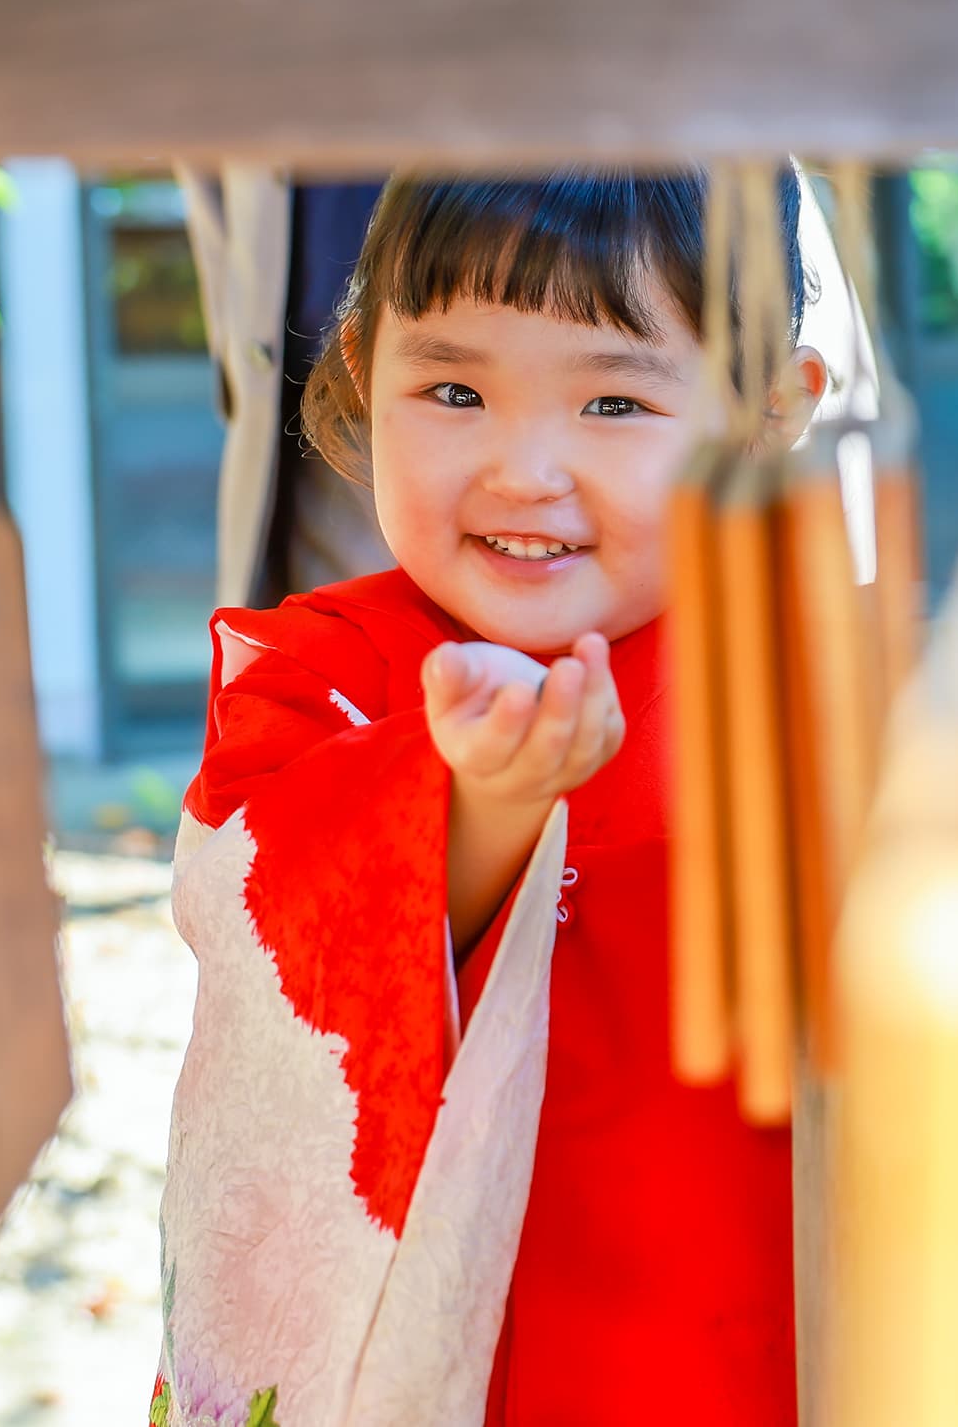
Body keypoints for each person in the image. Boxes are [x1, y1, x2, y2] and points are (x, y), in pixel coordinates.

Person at [150, 169, 828, 1427]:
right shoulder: (322, 674)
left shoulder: (820, 689)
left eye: (614, 400)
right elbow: (268, 929)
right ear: (361, 368)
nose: (523, 471)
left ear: (773, 412)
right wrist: (471, 811)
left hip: (727, 1336)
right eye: (453, 390)